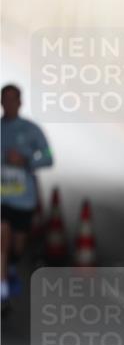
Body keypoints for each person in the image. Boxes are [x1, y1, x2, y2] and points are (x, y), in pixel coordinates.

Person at [1, 84, 53, 310]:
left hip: (23, 199)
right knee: (2, 239)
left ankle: (11, 268)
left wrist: (27, 161)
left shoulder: (32, 130)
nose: (9, 103)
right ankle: (3, 292)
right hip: (2, 199)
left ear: (20, 102)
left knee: (17, 246)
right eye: (5, 99)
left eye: (13, 99)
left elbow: (49, 156)